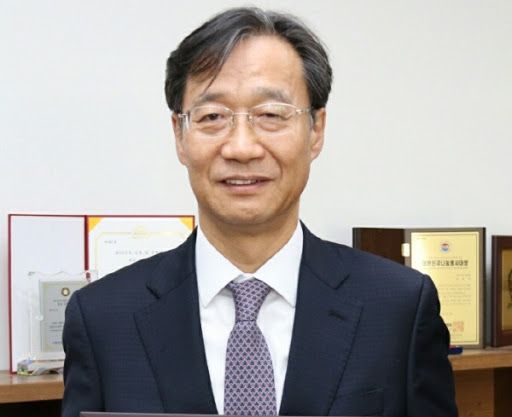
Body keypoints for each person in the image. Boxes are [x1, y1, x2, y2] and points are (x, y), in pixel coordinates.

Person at [61, 7, 458, 417]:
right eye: (212, 117)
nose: (241, 148)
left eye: (270, 115)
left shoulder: (399, 308)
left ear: (316, 131)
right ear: (179, 135)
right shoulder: (102, 319)